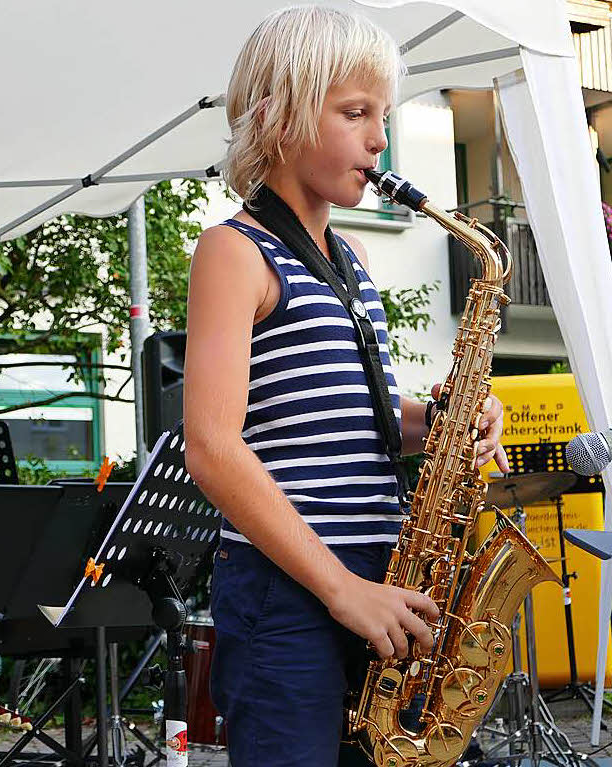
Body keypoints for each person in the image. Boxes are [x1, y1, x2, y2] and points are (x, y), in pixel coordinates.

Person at [182, 7, 509, 766]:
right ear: (277, 118)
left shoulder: (354, 256)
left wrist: (448, 418)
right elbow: (211, 445)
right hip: (290, 593)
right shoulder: (234, 252)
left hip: (379, 580)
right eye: (355, 112)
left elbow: (353, 414)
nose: (379, 140)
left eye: (383, 116)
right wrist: (339, 588)